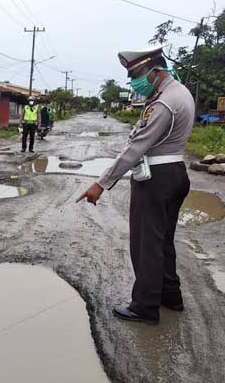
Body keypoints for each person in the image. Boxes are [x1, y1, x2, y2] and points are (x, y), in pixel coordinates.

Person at [77, 46, 195, 325]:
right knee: (163, 241)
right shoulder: (179, 92)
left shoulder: (164, 102)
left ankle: (145, 306)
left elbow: (136, 147)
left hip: (158, 178)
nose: (133, 82)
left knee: (146, 244)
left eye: (135, 75)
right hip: (175, 172)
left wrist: (101, 184)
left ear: (155, 71)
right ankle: (170, 296)